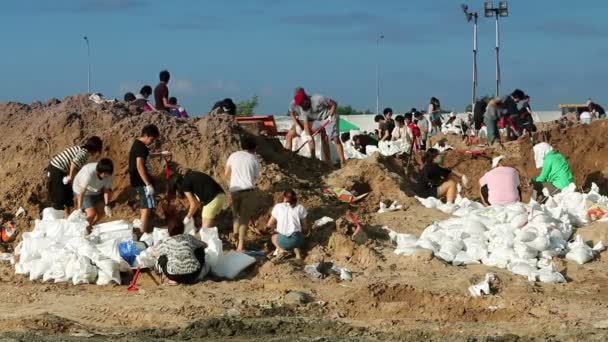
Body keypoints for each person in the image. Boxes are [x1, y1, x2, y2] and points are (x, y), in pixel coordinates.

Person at [286, 88, 346, 165]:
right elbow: (305, 122)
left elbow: (334, 103)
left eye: (302, 103)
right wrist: (308, 135)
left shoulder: (319, 99)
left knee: (335, 138)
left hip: (329, 117)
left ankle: (342, 161)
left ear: (306, 99)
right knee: (320, 135)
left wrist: (330, 115)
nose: (301, 106)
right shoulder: (302, 108)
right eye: (300, 105)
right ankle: (315, 159)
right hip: (317, 121)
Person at [128, 124, 170, 234]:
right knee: (147, 207)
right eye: (151, 139)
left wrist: (160, 154)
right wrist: (147, 184)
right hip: (141, 181)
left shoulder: (139, 144)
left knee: (144, 204)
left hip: (138, 181)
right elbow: (139, 165)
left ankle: (142, 228)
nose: (152, 141)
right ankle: (143, 233)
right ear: (146, 135)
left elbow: (147, 155)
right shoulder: (140, 147)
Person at [48, 136, 103, 216]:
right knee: (61, 196)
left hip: (61, 171)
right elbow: (74, 164)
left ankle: (68, 218)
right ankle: (61, 219)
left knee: (67, 196)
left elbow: (76, 167)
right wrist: (71, 177)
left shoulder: (82, 150)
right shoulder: (84, 153)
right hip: (56, 170)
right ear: (95, 148)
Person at [224, 137, 261, 252]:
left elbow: (226, 173)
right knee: (244, 219)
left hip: (234, 190)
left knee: (236, 217)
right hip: (248, 191)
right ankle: (240, 246)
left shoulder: (233, 155)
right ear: (254, 148)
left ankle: (235, 242)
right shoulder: (254, 159)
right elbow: (256, 176)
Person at [157, 221, 208, 285]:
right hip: (193, 274)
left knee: (162, 256)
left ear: (168, 230)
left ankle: (173, 280)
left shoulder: (166, 241)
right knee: (200, 250)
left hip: (173, 275)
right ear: (183, 229)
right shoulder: (189, 237)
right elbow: (205, 245)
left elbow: (156, 253)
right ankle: (193, 278)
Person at [72, 159, 114, 232]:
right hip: (83, 192)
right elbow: (82, 193)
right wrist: (79, 209)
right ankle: (82, 231)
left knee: (102, 211)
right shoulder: (88, 174)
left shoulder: (108, 174)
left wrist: (107, 205)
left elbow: (106, 190)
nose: (108, 176)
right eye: (106, 174)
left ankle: (91, 227)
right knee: (92, 213)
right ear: (102, 173)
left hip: (96, 191)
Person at [266, 190, 309, 260]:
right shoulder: (300, 207)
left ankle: (281, 250)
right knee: (299, 235)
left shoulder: (278, 207)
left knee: (273, 237)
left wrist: (270, 230)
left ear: (284, 197)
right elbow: (305, 227)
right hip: (297, 240)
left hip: (282, 241)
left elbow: (269, 225)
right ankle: (297, 250)